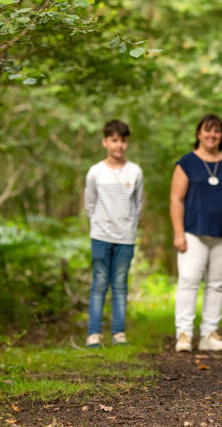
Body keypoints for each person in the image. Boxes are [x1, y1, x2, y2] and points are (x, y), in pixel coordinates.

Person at [170, 114, 222, 353]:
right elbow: (176, 198)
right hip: (193, 232)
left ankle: (209, 335)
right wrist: (178, 232)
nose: (212, 135)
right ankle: (184, 334)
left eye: (216, 131)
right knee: (189, 281)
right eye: (207, 130)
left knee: (216, 285)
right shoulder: (186, 163)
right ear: (198, 134)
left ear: (221, 136)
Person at [84, 120, 144, 348]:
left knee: (120, 284)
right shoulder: (96, 172)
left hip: (125, 238)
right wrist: (100, 224)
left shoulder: (135, 171)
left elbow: (138, 204)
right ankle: (94, 334)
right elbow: (89, 204)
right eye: (114, 140)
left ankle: (119, 333)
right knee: (99, 283)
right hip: (100, 236)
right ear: (105, 142)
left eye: (123, 140)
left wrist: (128, 226)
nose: (119, 145)